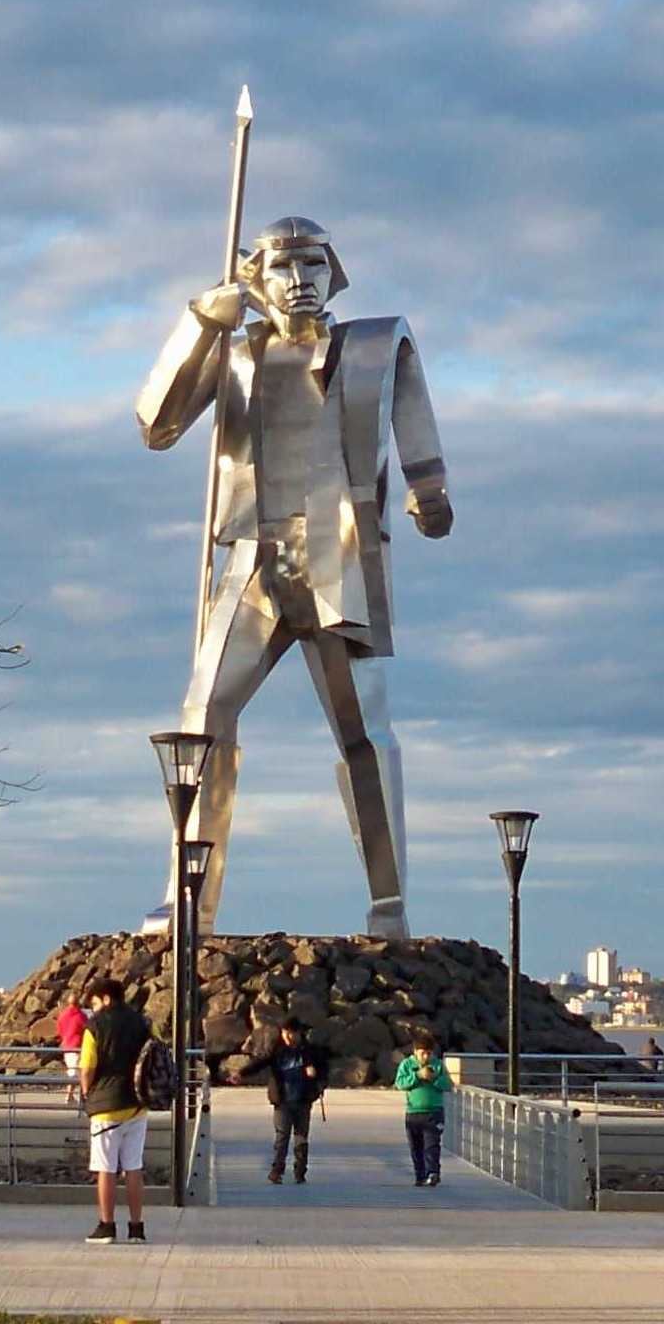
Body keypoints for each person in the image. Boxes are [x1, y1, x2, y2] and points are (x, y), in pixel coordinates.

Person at [134, 215, 455, 940]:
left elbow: (416, 431)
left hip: (338, 558)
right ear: (254, 280)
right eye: (281, 268)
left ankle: (388, 905)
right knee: (199, 720)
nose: (299, 281)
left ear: (333, 272)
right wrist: (197, 327)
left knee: (363, 733)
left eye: (313, 265)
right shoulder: (236, 350)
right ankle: (187, 897)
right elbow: (156, 425)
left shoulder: (376, 343)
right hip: (252, 560)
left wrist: (428, 489)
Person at [77, 976, 152, 1244]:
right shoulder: (141, 1022)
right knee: (134, 1167)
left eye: (94, 1002)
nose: (93, 1008)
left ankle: (107, 1226)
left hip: (106, 1108)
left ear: (106, 998)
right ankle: (136, 1228)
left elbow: (87, 1067)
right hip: (137, 1105)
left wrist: (87, 1093)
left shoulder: (94, 1026)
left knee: (105, 1168)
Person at [264, 1020, 329, 1185]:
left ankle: (300, 1171)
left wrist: (316, 1079)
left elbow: (324, 1072)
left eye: (290, 1033)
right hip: (282, 1102)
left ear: (298, 1033)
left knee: (301, 1138)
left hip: (302, 1101)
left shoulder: (310, 1052)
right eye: (284, 1032)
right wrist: (241, 1073)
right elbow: (260, 1063)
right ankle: (276, 1171)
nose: (287, 1036)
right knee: (282, 1137)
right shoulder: (277, 1051)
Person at [396, 1030, 451, 1187]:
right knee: (416, 1147)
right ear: (415, 1052)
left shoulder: (438, 1065)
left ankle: (432, 1172)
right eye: (422, 1054)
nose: (426, 1057)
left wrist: (434, 1079)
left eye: (429, 1053)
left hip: (434, 1112)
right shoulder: (407, 1065)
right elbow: (400, 1083)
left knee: (431, 1144)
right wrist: (418, 1076)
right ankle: (420, 1175)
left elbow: (448, 1085)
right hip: (413, 1113)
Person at [56, 999, 88, 1106]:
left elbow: (59, 1029)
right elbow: (87, 1029)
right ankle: (70, 1096)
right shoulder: (81, 1016)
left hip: (67, 1046)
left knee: (73, 1071)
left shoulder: (63, 1015)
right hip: (78, 1047)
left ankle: (72, 1096)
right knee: (76, 1072)